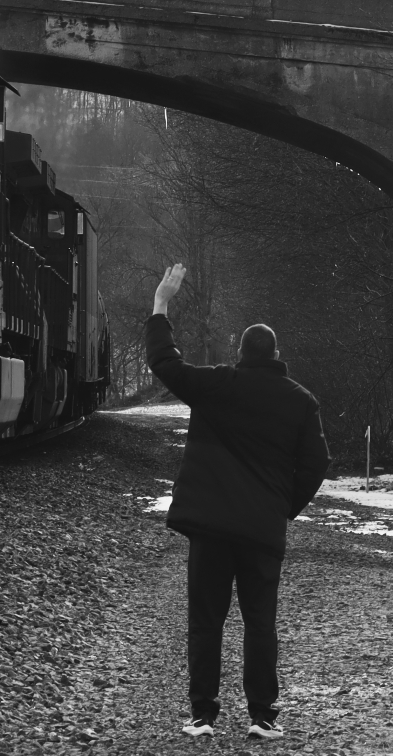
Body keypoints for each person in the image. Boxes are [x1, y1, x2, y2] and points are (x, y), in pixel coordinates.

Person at [145, 262, 330, 741]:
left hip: (210, 527)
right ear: (277, 354)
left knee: (205, 621)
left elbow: (166, 364)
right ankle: (262, 717)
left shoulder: (217, 385)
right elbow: (317, 464)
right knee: (259, 624)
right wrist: (283, 505)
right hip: (261, 531)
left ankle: (203, 716)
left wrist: (162, 305)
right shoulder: (300, 401)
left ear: (239, 351)